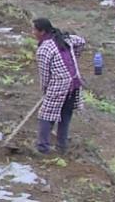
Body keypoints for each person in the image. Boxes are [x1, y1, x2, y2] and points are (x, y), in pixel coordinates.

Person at [32, 18, 86, 154]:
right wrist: (73, 59)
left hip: (60, 83)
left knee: (46, 115)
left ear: (42, 32)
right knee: (65, 115)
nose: (33, 33)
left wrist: (45, 91)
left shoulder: (44, 49)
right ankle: (62, 146)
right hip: (74, 81)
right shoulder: (65, 38)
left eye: (34, 30)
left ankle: (43, 147)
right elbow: (81, 41)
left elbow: (45, 75)